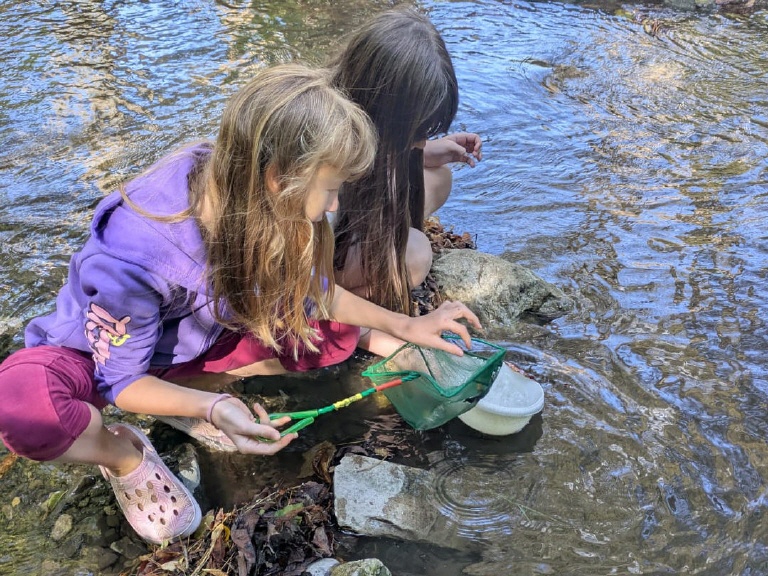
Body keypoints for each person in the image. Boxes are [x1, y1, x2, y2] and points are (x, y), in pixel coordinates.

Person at [0, 64, 482, 545]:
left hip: (195, 337)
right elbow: (120, 381)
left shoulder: (249, 185)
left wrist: (405, 325)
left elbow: (311, 291)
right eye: (332, 190)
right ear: (279, 178)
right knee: (20, 406)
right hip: (100, 357)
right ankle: (124, 455)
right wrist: (215, 408)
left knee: (327, 338)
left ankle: (181, 395)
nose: (335, 206)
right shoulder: (132, 257)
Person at [330, 8, 483, 331]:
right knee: (416, 253)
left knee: (440, 177)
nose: (421, 140)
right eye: (416, 130)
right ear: (388, 112)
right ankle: (348, 308)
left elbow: (383, 163)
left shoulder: (359, 110)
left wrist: (424, 151)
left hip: (354, 219)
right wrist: (398, 326)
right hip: (324, 248)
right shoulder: (332, 144)